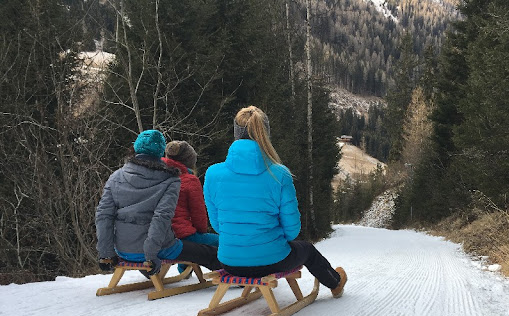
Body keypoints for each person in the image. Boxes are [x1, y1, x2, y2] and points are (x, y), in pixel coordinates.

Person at [203, 106, 347, 297]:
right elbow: (292, 231)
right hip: (272, 260)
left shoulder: (213, 174)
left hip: (229, 262)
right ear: (265, 133)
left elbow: (217, 225)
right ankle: (335, 283)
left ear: (236, 133)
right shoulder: (279, 173)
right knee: (307, 250)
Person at [96, 129, 221, 275]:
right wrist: (150, 255)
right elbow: (161, 218)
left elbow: (103, 215)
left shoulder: (116, 176)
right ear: (161, 151)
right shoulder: (170, 179)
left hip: (122, 250)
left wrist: (105, 253)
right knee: (209, 253)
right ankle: (239, 276)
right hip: (157, 250)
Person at [163, 140, 219, 274]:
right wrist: (201, 232)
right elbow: (198, 215)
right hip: (182, 234)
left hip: (160, 234)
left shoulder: (157, 174)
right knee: (221, 241)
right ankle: (233, 270)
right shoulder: (189, 180)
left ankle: (184, 269)